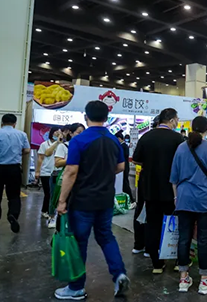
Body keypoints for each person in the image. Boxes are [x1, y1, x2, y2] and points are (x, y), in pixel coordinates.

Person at [54, 101, 130, 300]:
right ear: (106, 117)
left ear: (86, 116)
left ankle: (76, 287)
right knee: (106, 237)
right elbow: (121, 166)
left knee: (79, 242)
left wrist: (61, 201)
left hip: (83, 200)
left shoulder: (79, 140)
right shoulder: (113, 140)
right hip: (106, 199)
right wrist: (103, 174)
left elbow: (71, 172)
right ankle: (119, 274)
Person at [171, 116, 207, 294]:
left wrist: (176, 198)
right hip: (205, 200)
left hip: (184, 199)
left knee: (184, 238)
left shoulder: (181, 148)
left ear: (192, 127)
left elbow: (174, 177)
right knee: (203, 239)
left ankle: (183, 278)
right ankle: (205, 280)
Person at [132, 108, 183, 273]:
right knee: (174, 225)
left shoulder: (146, 137)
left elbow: (136, 160)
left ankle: (157, 264)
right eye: (177, 119)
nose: (177, 122)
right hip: (171, 190)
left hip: (150, 189)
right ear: (172, 120)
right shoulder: (177, 139)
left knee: (153, 225)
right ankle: (178, 261)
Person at [0, 114, 30, 233]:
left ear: (2, 123)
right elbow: (27, 150)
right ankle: (13, 214)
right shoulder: (22, 135)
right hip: (14, 169)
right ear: (15, 124)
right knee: (14, 196)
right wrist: (17, 153)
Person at [132, 116, 160, 255]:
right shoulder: (172, 138)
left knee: (141, 210)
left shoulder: (145, 137)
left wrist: (147, 164)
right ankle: (151, 248)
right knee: (155, 214)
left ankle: (138, 244)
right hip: (162, 182)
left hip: (145, 180)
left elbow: (135, 159)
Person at [49, 123, 85, 229]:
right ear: (71, 133)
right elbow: (57, 163)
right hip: (64, 179)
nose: (81, 135)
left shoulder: (85, 147)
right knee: (61, 202)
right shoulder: (63, 146)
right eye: (78, 132)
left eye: (83, 133)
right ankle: (57, 225)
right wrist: (74, 159)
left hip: (80, 180)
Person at [35, 126, 62, 220]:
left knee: (55, 193)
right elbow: (41, 157)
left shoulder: (62, 145)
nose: (57, 134)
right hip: (46, 172)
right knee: (48, 193)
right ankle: (45, 210)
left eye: (59, 133)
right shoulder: (44, 144)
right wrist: (37, 171)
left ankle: (53, 211)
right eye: (56, 132)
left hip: (57, 172)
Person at [115, 131, 134, 204]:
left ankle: (131, 199)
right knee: (124, 183)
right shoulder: (123, 146)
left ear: (119, 138)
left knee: (125, 183)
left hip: (124, 167)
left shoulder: (123, 146)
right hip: (124, 166)